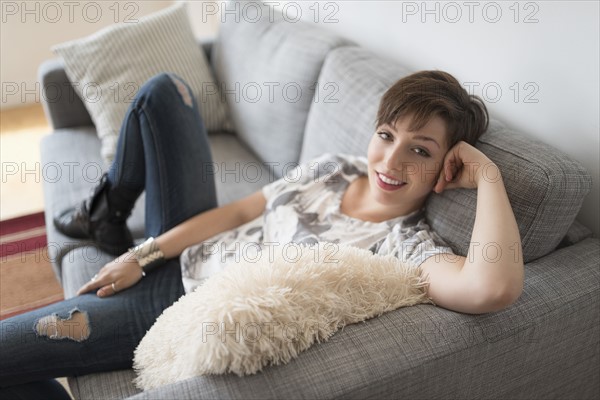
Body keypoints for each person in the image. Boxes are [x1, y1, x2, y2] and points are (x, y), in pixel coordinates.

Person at [0, 71, 524, 399]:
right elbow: (242, 210)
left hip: (175, 305)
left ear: (446, 169)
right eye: (387, 135)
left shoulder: (407, 248)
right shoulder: (335, 168)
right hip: (180, 252)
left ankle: (104, 216)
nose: (391, 160)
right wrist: (145, 252)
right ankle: (108, 212)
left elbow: (491, 288)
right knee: (166, 91)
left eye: (422, 150)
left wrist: (490, 178)